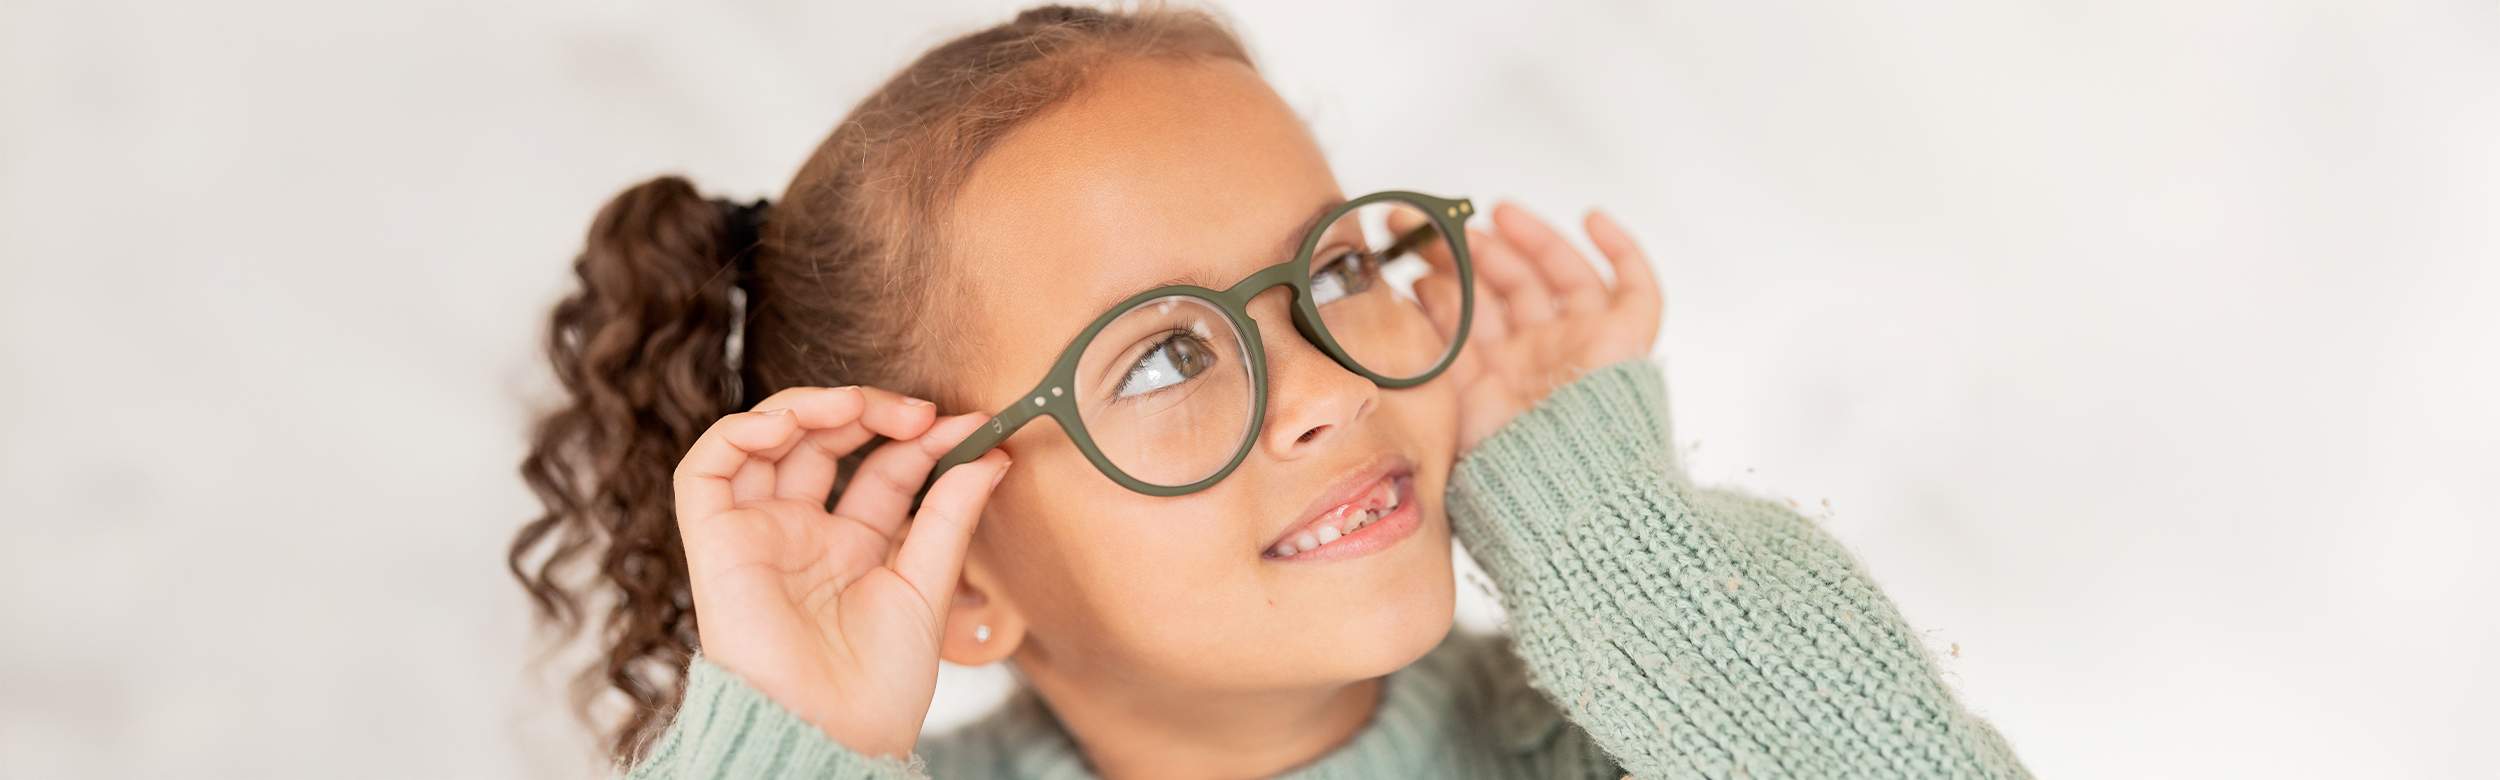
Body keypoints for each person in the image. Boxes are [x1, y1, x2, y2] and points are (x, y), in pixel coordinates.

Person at [511, 5, 2029, 778]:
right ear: (960, 566)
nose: (1326, 387)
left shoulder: (1640, 730)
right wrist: (794, 731)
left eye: (1337, 273)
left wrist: (1607, 535)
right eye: (1166, 355)